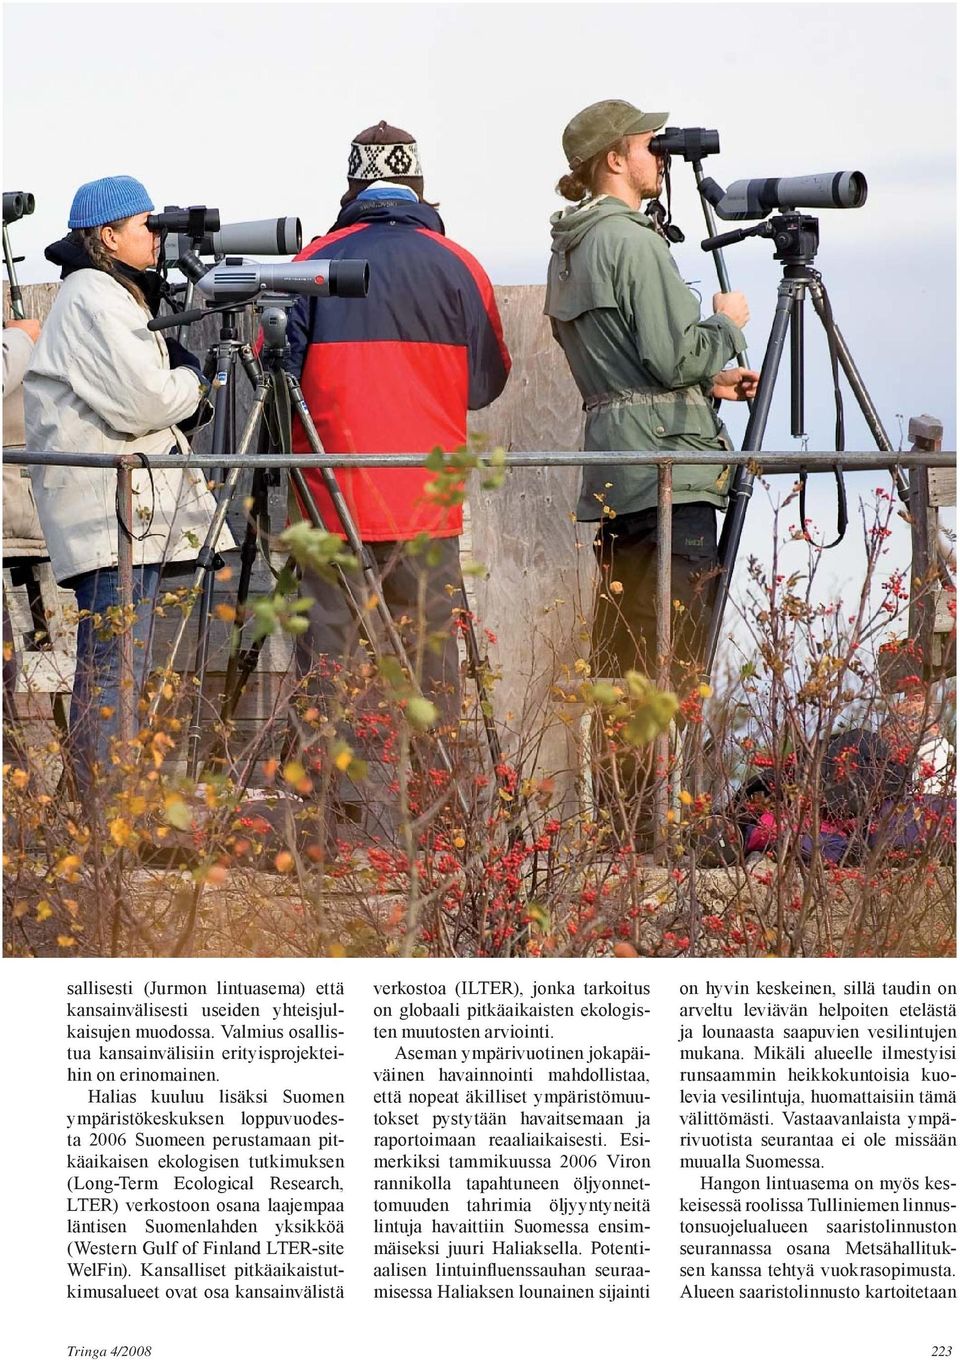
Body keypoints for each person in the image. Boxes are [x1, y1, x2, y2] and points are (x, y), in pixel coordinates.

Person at [283, 121, 511, 833]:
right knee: (432, 660)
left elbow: (277, 371)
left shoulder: (311, 261)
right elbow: (486, 383)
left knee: (330, 659)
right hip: (425, 498)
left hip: (331, 499)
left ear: (352, 187)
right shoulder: (459, 264)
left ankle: (332, 820)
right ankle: (440, 819)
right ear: (417, 187)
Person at [24, 175, 232, 793]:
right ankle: (103, 815)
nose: (158, 237)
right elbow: (143, 402)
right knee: (115, 665)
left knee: (115, 662)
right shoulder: (93, 294)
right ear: (109, 236)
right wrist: (194, 382)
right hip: (111, 512)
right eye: (148, 225)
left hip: (122, 511)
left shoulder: (111, 292)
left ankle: (92, 808)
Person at [544, 99, 759, 694]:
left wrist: (707, 384)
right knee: (671, 668)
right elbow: (673, 358)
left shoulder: (569, 247)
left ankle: (623, 791)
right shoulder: (633, 242)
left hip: (617, 473)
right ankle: (662, 789)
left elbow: (617, 366)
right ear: (615, 159)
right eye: (648, 144)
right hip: (670, 476)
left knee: (623, 665)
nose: (660, 155)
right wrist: (725, 324)